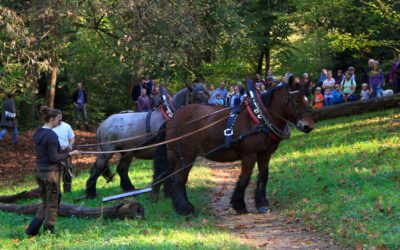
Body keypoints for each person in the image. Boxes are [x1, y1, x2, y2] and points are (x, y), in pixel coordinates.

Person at [25, 106, 80, 236]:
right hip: (51, 174)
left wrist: (65, 150)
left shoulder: (38, 132)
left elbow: (49, 151)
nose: (58, 122)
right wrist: (70, 154)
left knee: (46, 201)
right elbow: (53, 157)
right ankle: (49, 231)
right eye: (57, 119)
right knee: (53, 202)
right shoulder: (52, 135)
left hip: (39, 171)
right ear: (51, 119)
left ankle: (32, 230)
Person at [52, 113, 75, 193]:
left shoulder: (67, 126)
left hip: (66, 150)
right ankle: (56, 190)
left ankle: (67, 190)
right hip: (54, 151)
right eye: (57, 117)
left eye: (60, 117)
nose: (59, 119)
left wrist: (70, 145)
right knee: (55, 170)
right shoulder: (50, 127)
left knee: (68, 170)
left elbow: (71, 138)